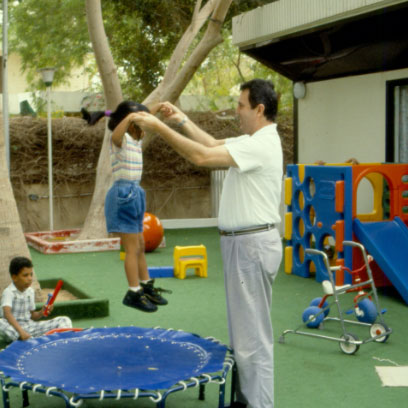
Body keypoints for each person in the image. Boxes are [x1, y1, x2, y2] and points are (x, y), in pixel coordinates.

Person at [132, 79, 283, 408]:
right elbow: (212, 143)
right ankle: (246, 400)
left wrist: (158, 127)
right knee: (244, 334)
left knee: (253, 337)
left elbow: (201, 156)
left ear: (259, 109)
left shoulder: (261, 144)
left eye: (241, 105)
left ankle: (258, 404)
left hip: (251, 244)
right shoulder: (253, 141)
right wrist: (181, 121)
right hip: (244, 244)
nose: (236, 111)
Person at [82, 101, 170, 313]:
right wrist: (130, 117)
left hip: (135, 193)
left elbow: (146, 114)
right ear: (129, 122)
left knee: (140, 245)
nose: (143, 126)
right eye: (137, 121)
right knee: (131, 248)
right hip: (123, 195)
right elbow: (115, 135)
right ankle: (133, 291)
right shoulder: (119, 140)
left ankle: (146, 286)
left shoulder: (137, 139)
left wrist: (159, 106)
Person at [0, 257, 72, 342]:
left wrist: (41, 312)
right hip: (13, 329)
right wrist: (21, 332)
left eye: (31, 275)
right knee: (1, 323)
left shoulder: (30, 291)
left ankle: (63, 341)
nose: (30, 278)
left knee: (64, 320)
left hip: (29, 327)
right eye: (25, 275)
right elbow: (7, 314)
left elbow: (32, 315)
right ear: (14, 277)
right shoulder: (9, 292)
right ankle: (29, 340)